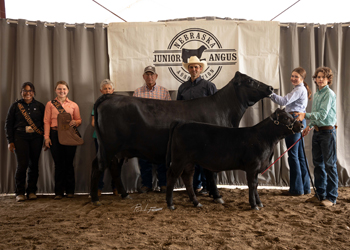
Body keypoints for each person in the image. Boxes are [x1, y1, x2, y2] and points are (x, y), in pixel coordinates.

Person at [177, 56, 217, 194]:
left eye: (196, 67)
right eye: (191, 67)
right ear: (188, 69)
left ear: (200, 69)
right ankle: (195, 186)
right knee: (190, 159)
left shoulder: (209, 86)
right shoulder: (182, 88)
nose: (194, 69)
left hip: (205, 129)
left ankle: (207, 186)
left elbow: (216, 108)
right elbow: (178, 108)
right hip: (188, 130)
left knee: (206, 159)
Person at [298, 67, 337, 207]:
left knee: (330, 165)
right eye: (318, 77)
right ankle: (320, 194)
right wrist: (310, 126)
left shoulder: (329, 94)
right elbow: (317, 115)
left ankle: (332, 198)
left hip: (328, 133)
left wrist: (305, 116)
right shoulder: (318, 94)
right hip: (317, 132)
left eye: (323, 77)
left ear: (328, 79)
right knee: (318, 164)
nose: (320, 79)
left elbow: (322, 115)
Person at [270, 67, 312, 196]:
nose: (293, 78)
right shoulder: (300, 89)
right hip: (299, 121)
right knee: (299, 155)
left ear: (302, 79)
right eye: (292, 76)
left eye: (296, 77)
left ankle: (296, 189)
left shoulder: (299, 89)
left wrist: (269, 93)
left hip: (293, 121)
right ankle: (304, 188)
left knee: (293, 155)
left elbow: (283, 101)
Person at [133, 65, 172, 193]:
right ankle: (146, 184)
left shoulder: (164, 92)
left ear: (156, 76)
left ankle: (163, 184)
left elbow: (170, 111)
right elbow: (134, 113)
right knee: (144, 159)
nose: (150, 77)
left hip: (160, 130)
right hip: (143, 131)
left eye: (152, 74)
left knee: (162, 158)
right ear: (143, 77)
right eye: (147, 74)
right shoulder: (137, 92)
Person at [5, 82, 45, 202]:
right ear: (21, 92)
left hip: (36, 138)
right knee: (22, 165)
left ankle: (32, 191)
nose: (28, 93)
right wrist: (10, 141)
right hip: (20, 137)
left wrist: (46, 137)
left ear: (34, 92)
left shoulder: (40, 106)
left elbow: (45, 123)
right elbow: (8, 124)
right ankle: (19, 192)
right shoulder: (15, 106)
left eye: (30, 91)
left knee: (34, 165)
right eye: (25, 91)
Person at [44, 80, 82, 200]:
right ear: (56, 90)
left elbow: (79, 120)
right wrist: (46, 137)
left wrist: (75, 122)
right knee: (59, 164)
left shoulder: (74, 105)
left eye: (64, 89)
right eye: (59, 89)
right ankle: (59, 192)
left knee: (69, 163)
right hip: (55, 134)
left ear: (68, 91)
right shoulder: (50, 104)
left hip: (69, 134)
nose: (62, 91)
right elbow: (47, 121)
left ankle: (70, 191)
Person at [91, 79, 117, 196]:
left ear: (113, 90)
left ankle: (116, 187)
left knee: (115, 163)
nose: (107, 90)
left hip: (115, 138)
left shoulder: (118, 104)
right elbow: (93, 122)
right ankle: (98, 188)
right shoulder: (97, 104)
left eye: (109, 88)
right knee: (100, 163)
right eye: (105, 89)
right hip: (100, 137)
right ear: (101, 91)